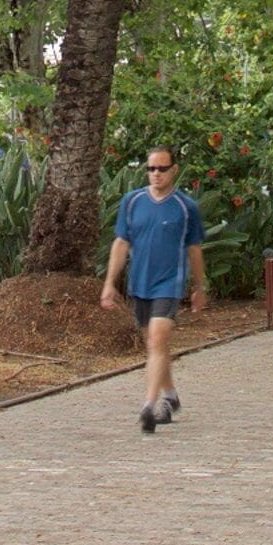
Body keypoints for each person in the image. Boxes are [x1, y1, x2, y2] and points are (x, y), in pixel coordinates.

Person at [103, 146, 207, 432]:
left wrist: (199, 286)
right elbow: (121, 243)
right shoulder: (132, 202)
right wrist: (110, 283)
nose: (156, 174)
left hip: (169, 284)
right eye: (151, 169)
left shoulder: (186, 208)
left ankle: (149, 407)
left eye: (162, 169)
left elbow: (195, 249)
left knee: (157, 341)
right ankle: (171, 396)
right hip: (140, 283)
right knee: (154, 345)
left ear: (174, 170)